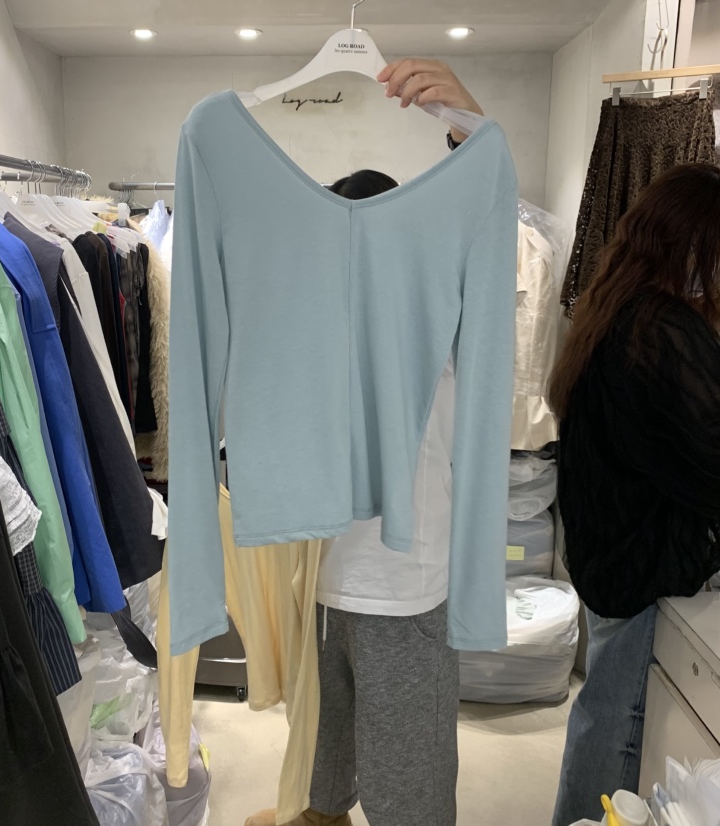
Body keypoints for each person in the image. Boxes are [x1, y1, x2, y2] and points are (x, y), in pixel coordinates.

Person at [244, 60, 485, 826]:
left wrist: (468, 124)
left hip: (405, 587)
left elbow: (484, 219)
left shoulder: (439, 312)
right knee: (327, 758)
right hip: (321, 579)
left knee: (407, 786)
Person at [548, 162, 720, 826]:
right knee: (618, 729)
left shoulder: (614, 306)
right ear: (692, 242)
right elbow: (715, 448)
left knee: (602, 716)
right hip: (638, 561)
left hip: (608, 551)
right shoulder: (662, 327)